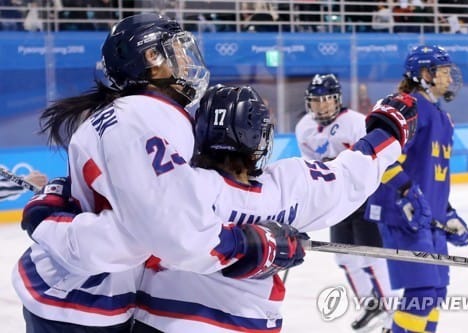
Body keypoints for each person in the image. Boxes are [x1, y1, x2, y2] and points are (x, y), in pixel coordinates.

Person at [22, 79, 419, 333]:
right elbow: (353, 173)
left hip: (155, 323)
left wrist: (55, 197)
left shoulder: (172, 190)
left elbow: (115, 217)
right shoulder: (289, 188)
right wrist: (388, 129)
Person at [13, 13, 305, 333]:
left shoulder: (135, 114)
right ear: (152, 57)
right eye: (177, 48)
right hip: (79, 304)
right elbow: (172, 230)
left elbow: (134, 199)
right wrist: (252, 247)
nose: (184, 57)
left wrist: (55, 198)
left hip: (82, 296)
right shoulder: (142, 119)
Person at [364, 45, 468, 333]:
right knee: (422, 294)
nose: (450, 79)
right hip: (403, 215)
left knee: (435, 296)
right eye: (444, 72)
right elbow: (378, 156)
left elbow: (432, 176)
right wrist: (406, 191)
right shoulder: (406, 106)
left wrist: (446, 213)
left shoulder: (443, 118)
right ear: (425, 74)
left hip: (428, 220)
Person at [295, 73, 402, 332]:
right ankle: (370, 305)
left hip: (364, 197)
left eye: (326, 100)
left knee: (371, 256)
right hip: (336, 200)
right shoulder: (304, 128)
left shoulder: (356, 123)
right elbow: (312, 168)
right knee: (343, 257)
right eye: (316, 101)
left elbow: (371, 161)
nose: (321, 106)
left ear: (338, 99)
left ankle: (393, 316)